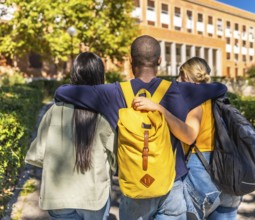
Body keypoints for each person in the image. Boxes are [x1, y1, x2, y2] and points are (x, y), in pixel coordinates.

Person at [54, 35, 228, 219]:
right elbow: (220, 88)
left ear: (130, 61)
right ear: (159, 60)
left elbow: (62, 92)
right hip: (171, 184)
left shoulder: (112, 93)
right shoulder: (179, 90)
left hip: (134, 185)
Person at [132, 57, 242, 220]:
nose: (177, 80)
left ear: (185, 75)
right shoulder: (220, 98)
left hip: (203, 176)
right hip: (230, 175)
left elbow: (189, 135)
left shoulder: (197, 101)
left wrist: (160, 109)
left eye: (180, 75)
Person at [25, 52, 115, 220]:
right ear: (100, 76)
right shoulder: (105, 114)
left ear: (74, 74)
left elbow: (38, 154)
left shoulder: (54, 111)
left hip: (59, 196)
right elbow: (116, 156)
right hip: (93, 197)